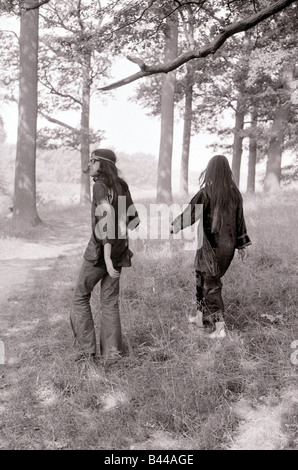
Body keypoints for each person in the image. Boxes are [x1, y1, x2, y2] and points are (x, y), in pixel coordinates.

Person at [70, 149, 140, 363]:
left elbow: (106, 220)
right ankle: (112, 356)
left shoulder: (99, 186)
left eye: (93, 161)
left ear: (103, 164)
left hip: (101, 252)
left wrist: (107, 255)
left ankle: (86, 352)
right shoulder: (122, 186)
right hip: (119, 251)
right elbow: (134, 220)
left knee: (80, 297)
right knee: (109, 302)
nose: (89, 164)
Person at [170, 155, 251, 339]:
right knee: (201, 278)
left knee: (211, 285)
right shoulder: (235, 193)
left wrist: (174, 225)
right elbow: (240, 222)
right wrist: (242, 245)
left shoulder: (206, 193)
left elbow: (190, 213)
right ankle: (200, 318)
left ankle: (220, 329)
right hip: (226, 247)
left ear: (211, 170)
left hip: (210, 246)